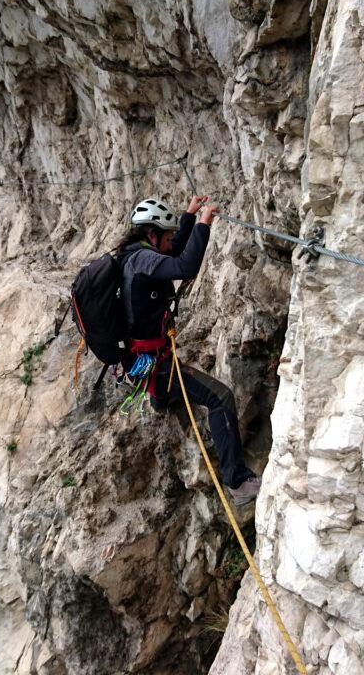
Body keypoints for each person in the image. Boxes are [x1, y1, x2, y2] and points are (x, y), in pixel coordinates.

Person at [116, 195, 262, 506]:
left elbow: (174, 250)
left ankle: (161, 398)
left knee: (167, 387)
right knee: (220, 398)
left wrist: (189, 217)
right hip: (157, 364)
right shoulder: (143, 260)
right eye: (165, 236)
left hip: (142, 361)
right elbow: (184, 263)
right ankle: (237, 483)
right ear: (152, 235)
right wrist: (205, 224)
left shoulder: (135, 256)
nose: (170, 241)